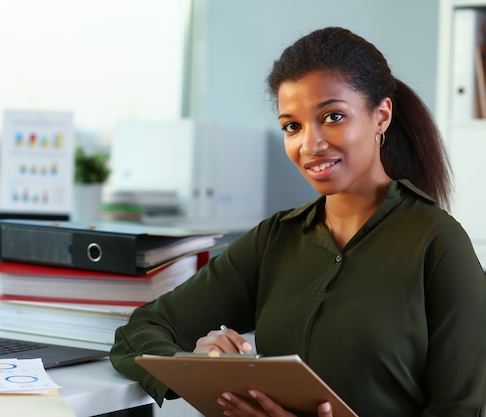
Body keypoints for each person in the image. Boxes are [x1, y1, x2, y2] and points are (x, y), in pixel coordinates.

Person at [109, 27, 486, 417]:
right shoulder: (274, 240)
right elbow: (140, 332)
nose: (310, 144)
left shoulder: (439, 244)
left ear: (381, 116)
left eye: (333, 117)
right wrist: (199, 368)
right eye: (292, 126)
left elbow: (461, 408)